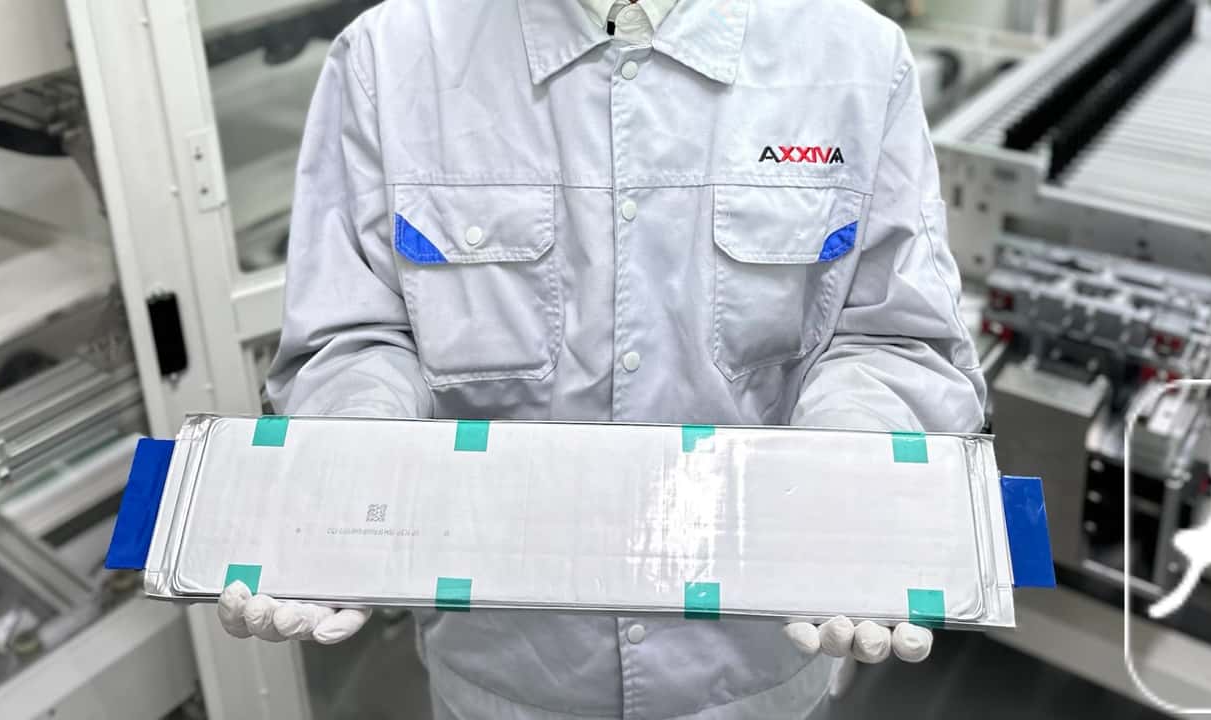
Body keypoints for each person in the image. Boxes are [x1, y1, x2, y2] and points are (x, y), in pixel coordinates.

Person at [217, 0, 987, 717]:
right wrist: (343, 492)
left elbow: (893, 337)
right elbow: (356, 336)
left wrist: (855, 485)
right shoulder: (390, 58)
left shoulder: (852, 56)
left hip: (754, 676)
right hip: (504, 682)